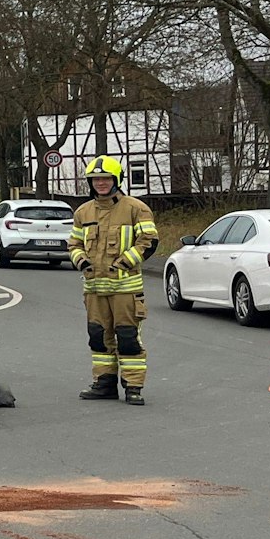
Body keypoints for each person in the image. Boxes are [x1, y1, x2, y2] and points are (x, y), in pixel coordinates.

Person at [68, 155, 159, 405]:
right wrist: (81, 261)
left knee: (127, 338)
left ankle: (133, 387)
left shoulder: (135, 208)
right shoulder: (83, 212)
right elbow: (74, 243)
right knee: (98, 337)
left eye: (106, 179)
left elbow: (149, 241)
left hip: (125, 290)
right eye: (96, 179)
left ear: (116, 179)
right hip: (94, 290)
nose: (101, 183)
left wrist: (124, 262)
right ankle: (104, 384)